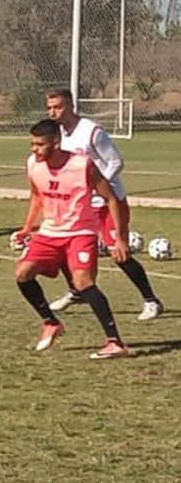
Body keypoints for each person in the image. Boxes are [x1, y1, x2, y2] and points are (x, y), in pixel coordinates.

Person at [13, 119, 130, 360]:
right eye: (32, 144)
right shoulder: (33, 164)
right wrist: (27, 229)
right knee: (23, 274)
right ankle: (51, 322)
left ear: (56, 142)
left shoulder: (82, 165)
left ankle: (115, 342)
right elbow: (37, 196)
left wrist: (120, 239)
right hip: (49, 233)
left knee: (83, 282)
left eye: (40, 144)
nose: (34, 149)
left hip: (80, 232)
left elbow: (111, 198)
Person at [44, 88, 165, 321]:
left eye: (57, 107)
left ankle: (151, 300)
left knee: (119, 254)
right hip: (80, 204)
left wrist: (97, 186)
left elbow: (116, 162)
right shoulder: (57, 134)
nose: (52, 112)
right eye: (49, 107)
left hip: (109, 201)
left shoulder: (91, 132)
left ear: (70, 106)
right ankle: (76, 291)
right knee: (63, 245)